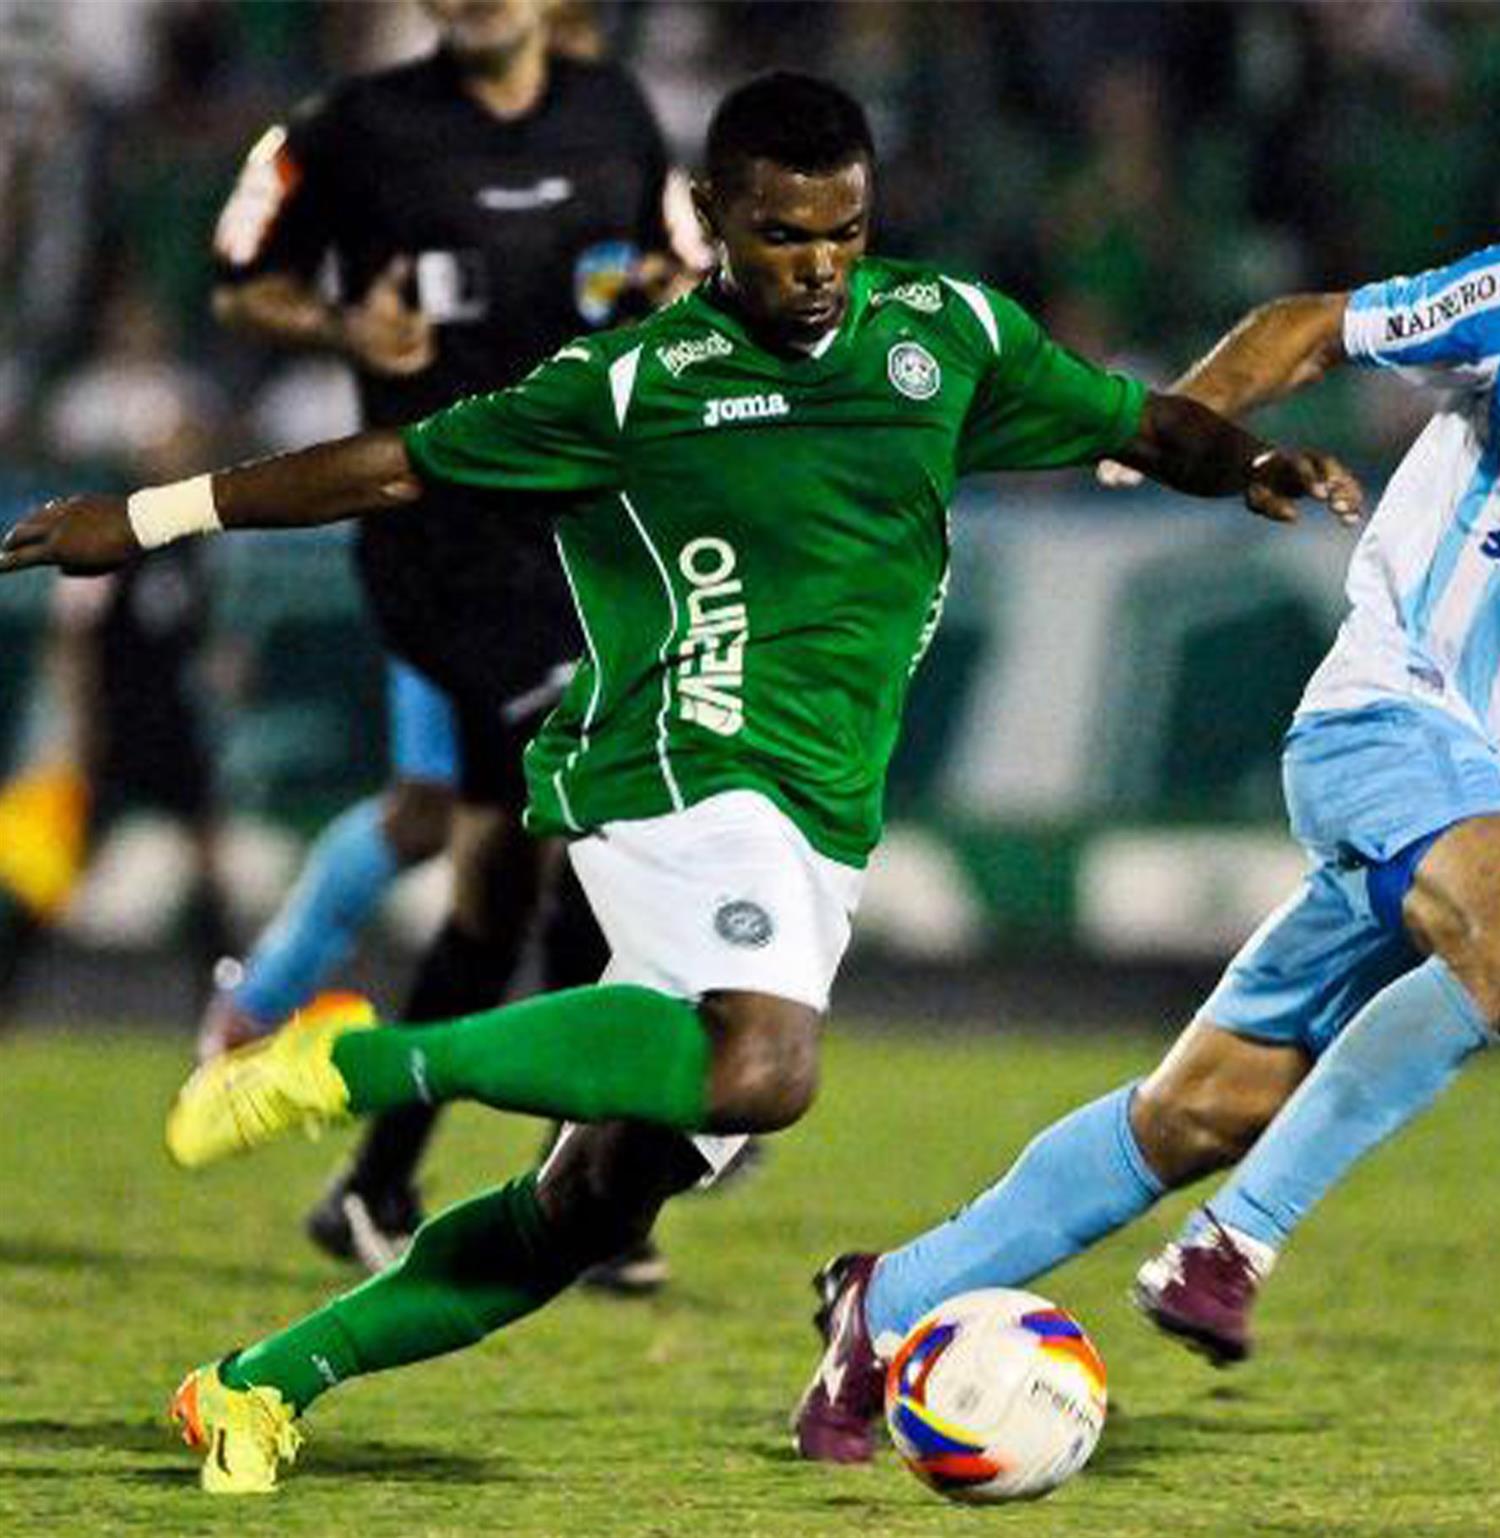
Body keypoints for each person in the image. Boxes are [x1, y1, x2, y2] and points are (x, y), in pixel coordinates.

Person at [0, 71, 1354, 1495]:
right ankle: (348, 1057)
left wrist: (1246, 457)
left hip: (817, 816)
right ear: (710, 218)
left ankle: (252, 1386)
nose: (819, 264)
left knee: (584, 1203)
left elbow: (1140, 424)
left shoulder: (945, 334)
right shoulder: (634, 385)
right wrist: (148, 514)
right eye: (781, 234)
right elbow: (400, 466)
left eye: (842, 230)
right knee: (765, 1063)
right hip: (678, 761)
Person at [783, 110, 1500, 1465]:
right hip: (1387, 720)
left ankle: (892, 1301)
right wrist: (1184, 423)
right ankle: (1232, 1244)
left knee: (1200, 1108)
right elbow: (1313, 323)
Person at [201, 0, 681, 1286]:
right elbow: (242, 279)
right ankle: (588, 1193)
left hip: (589, 538)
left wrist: (664, 292)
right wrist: (343, 328)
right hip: (448, 549)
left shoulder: (617, 114)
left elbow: (675, 265)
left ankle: (382, 1178)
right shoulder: (353, 127)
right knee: (586, 840)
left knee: (501, 879)